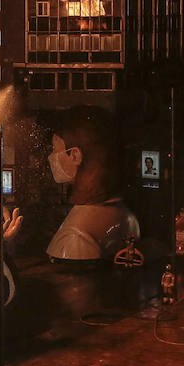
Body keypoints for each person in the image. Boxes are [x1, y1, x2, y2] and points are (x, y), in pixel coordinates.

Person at [45, 106, 141, 262]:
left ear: (75, 156)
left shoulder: (74, 238)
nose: (52, 157)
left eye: (55, 150)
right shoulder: (126, 215)